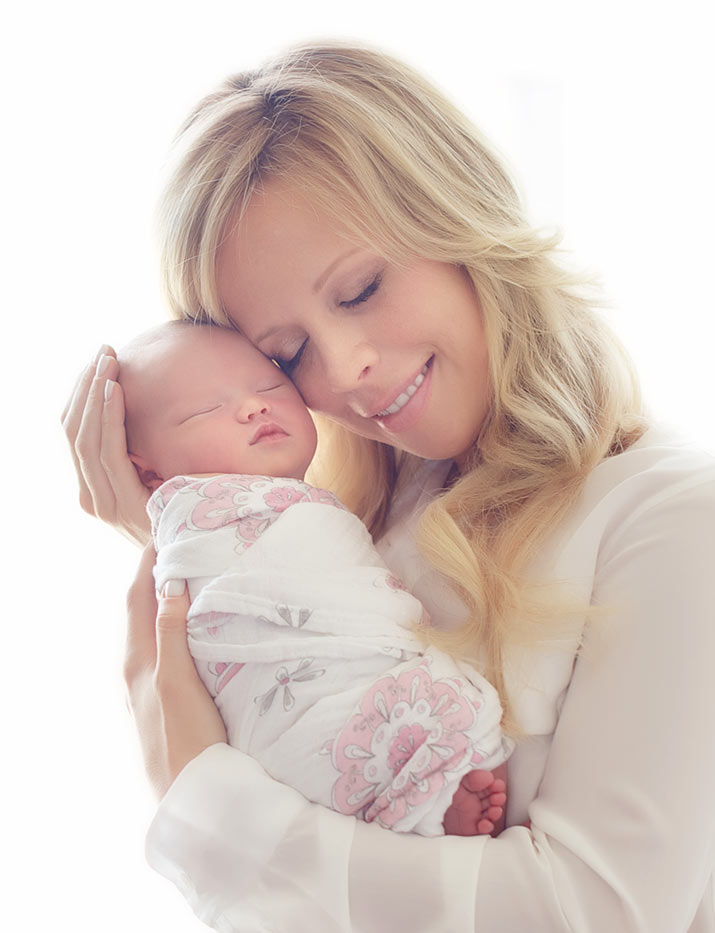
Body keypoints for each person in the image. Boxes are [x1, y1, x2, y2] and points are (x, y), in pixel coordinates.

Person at [62, 42, 715, 933]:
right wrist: (182, 530)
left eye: (362, 288)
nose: (346, 368)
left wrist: (206, 802)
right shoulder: (351, 536)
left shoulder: (670, 516)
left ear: (459, 220)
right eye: (284, 354)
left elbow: (601, 911)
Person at [118, 319, 511, 836]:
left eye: (270, 386)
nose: (253, 406)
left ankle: (422, 788)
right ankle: (409, 792)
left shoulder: (324, 506)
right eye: (205, 409)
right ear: (150, 475)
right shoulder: (201, 526)